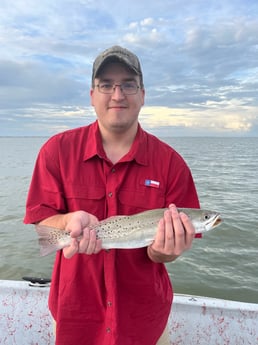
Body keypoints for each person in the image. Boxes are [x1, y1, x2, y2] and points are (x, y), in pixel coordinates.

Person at [24, 45, 200, 345]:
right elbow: (42, 221)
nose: (117, 95)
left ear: (143, 94)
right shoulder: (55, 152)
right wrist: (67, 223)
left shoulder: (172, 163)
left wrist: (165, 251)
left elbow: (161, 255)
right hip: (75, 317)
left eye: (128, 85)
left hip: (144, 322)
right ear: (92, 95)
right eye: (106, 85)